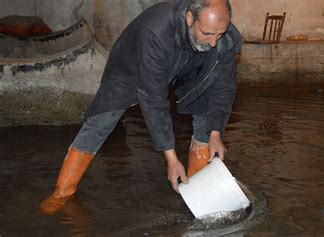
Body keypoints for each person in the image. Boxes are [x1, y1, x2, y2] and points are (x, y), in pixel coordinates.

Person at [40, 0, 240, 215]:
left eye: (219, 34)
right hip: (133, 66)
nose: (213, 42)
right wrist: (171, 158)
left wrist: (216, 132)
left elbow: (224, 86)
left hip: (192, 64)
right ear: (190, 17)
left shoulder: (225, 38)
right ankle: (62, 192)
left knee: (206, 118)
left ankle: (196, 195)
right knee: (101, 121)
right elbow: (153, 98)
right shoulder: (157, 30)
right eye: (207, 33)